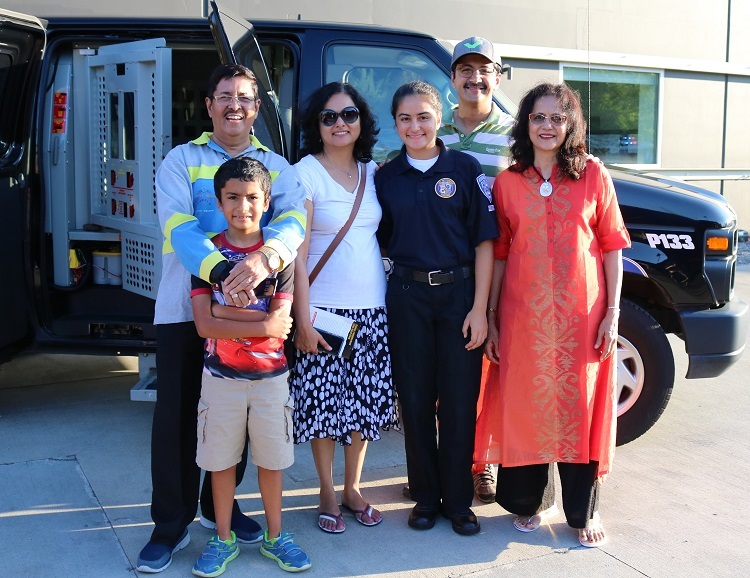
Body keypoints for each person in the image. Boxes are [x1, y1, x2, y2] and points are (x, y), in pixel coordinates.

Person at [137, 64, 306, 573]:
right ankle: (169, 527)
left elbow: (294, 222)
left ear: (258, 108)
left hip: (257, 313)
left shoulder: (279, 167)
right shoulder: (179, 161)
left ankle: (220, 512)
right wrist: (229, 272)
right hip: (184, 312)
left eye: (246, 97)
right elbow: (179, 226)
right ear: (208, 104)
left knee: (236, 419)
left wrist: (264, 261)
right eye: (225, 96)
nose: (235, 105)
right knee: (177, 421)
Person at [476, 82, 631, 548]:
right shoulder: (507, 182)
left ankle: (583, 510)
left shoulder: (593, 176)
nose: (547, 127)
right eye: (539, 117)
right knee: (527, 405)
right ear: (526, 123)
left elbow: (612, 246)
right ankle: (529, 503)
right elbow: (500, 254)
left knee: (578, 406)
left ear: (570, 125)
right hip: (523, 317)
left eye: (557, 118)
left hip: (583, 317)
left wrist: (614, 313)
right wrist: (492, 316)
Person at [374, 81, 497, 536]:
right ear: (396, 123)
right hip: (407, 298)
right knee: (417, 400)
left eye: (423, 116)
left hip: (459, 299)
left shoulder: (465, 168)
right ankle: (426, 497)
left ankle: (459, 502)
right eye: (404, 118)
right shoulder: (386, 177)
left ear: (439, 116)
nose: (414, 126)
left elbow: (485, 242)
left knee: (461, 403)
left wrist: (480, 309)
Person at [190, 157, 310, 575]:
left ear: (268, 201)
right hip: (220, 380)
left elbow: (282, 326)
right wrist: (257, 321)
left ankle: (277, 536)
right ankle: (222, 539)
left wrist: (229, 315)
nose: (243, 206)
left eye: (253, 197)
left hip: (271, 380)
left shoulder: (278, 259)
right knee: (221, 462)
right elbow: (204, 323)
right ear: (219, 203)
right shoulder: (207, 255)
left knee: (272, 461)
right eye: (233, 198)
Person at [290, 82, 396, 534]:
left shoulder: (375, 173)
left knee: (363, 406)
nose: (340, 124)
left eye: (348, 115)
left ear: (362, 122)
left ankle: (353, 488)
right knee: (325, 406)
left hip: (372, 307)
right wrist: (300, 319)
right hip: (324, 312)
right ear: (316, 124)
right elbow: (295, 252)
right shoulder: (304, 173)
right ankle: (327, 492)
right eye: (329, 116)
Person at [439, 36, 514, 504]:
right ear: (452, 78)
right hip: (447, 269)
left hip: (503, 266)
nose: (474, 77)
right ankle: (446, 465)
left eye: (484, 69)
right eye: (465, 69)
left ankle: (482, 464)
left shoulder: (515, 134)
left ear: (497, 77)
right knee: (445, 376)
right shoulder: (433, 129)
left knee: (488, 368)